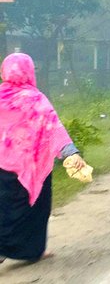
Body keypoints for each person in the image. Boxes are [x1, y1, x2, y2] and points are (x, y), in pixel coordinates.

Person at [0, 53, 88, 263]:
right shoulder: (35, 99)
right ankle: (33, 250)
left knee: (5, 209)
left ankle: (5, 251)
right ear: (29, 72)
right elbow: (54, 129)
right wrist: (71, 153)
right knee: (36, 210)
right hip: (32, 167)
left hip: (3, 167)